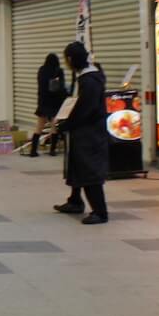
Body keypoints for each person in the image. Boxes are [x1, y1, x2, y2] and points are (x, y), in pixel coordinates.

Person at [55, 41, 110, 224]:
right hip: (83, 132)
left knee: (89, 170)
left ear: (71, 59)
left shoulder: (89, 80)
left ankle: (100, 212)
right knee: (78, 167)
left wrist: (66, 125)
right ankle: (75, 201)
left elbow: (84, 110)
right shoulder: (84, 77)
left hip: (90, 133)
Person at [29, 53, 66, 157]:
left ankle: (33, 150)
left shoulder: (41, 70)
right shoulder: (58, 71)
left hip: (43, 102)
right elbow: (60, 88)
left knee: (39, 127)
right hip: (54, 103)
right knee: (54, 126)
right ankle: (52, 150)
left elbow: (41, 86)